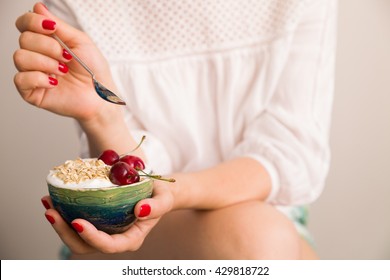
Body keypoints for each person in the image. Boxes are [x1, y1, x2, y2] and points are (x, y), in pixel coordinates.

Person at [13, 0, 336, 259]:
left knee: (263, 236)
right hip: (134, 222)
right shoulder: (78, 5)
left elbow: (288, 155)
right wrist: (102, 117)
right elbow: (128, 182)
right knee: (262, 239)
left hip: (265, 219)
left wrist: (177, 192)